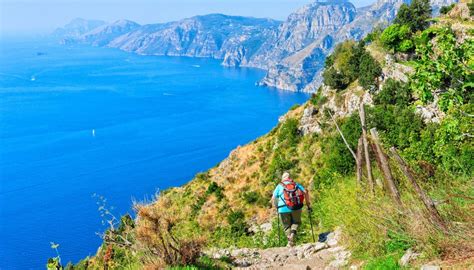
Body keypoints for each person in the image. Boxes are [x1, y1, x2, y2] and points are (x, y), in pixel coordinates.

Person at [271, 172, 311, 247]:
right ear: (290, 177)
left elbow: (274, 198)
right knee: (296, 223)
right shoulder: (296, 184)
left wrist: (276, 207)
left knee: (287, 226)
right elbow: (305, 192)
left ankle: (290, 242)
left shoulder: (279, 186)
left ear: (283, 179)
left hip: (282, 208)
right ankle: (293, 235)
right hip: (296, 207)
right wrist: (308, 204)